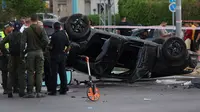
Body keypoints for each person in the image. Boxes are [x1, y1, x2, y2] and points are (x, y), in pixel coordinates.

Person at [21, 14, 49, 98]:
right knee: (39, 72)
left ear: (30, 20)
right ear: (37, 20)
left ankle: (30, 92)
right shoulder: (41, 28)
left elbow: (22, 43)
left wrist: (22, 53)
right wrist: (41, 47)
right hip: (39, 52)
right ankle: (38, 92)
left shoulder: (27, 30)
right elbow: (46, 41)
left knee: (30, 72)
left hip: (30, 53)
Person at [0, 21, 26, 98]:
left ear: (14, 27)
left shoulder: (10, 36)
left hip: (11, 56)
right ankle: (21, 91)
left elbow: (1, 43)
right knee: (21, 73)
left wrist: (5, 52)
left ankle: (9, 92)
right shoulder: (22, 35)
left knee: (11, 74)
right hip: (20, 56)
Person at [48, 22, 70, 95]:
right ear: (60, 27)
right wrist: (66, 52)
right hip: (62, 56)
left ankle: (53, 90)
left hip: (54, 56)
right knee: (63, 72)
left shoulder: (54, 36)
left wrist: (48, 48)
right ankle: (64, 89)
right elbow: (69, 46)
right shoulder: (64, 35)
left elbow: (51, 46)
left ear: (54, 28)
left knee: (54, 73)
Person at [0, 22, 13, 94]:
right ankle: (5, 88)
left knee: (12, 71)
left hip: (11, 54)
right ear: (7, 28)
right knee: (4, 72)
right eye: (11, 27)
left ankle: (12, 87)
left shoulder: (12, 34)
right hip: (3, 55)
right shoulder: (0, 34)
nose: (12, 28)